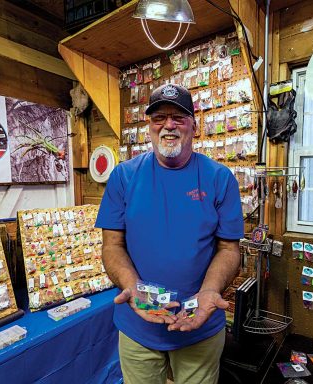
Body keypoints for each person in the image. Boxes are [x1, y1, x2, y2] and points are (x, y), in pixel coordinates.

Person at [95, 83, 244, 384]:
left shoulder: (220, 178)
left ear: (194, 125)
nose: (169, 125)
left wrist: (209, 292)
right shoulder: (123, 177)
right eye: (159, 117)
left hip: (199, 326)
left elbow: (229, 249)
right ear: (149, 126)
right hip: (138, 326)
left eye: (179, 117)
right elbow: (112, 245)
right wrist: (131, 286)